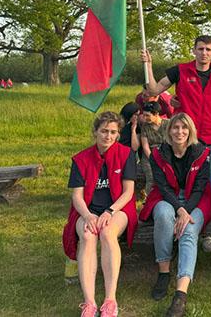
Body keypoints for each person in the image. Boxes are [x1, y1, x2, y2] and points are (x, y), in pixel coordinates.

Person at [142, 35, 211, 252]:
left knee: (206, 187)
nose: (204, 53)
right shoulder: (179, 71)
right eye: (201, 49)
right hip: (182, 137)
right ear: (194, 50)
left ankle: (204, 234)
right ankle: (174, 225)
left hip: (210, 138)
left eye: (208, 49)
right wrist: (148, 65)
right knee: (178, 182)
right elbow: (154, 90)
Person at [62, 111, 138, 317]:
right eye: (104, 131)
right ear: (95, 132)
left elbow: (128, 192)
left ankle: (110, 300)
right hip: (88, 210)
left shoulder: (126, 154)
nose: (108, 136)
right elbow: (77, 196)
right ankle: (89, 302)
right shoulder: (81, 159)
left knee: (107, 232)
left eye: (113, 132)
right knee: (88, 236)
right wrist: (88, 216)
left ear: (118, 134)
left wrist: (109, 211)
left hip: (117, 208)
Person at [139, 113, 211, 317]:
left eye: (184, 127)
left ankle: (180, 294)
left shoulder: (202, 152)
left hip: (196, 199)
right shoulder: (158, 154)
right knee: (164, 215)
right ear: (168, 130)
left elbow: (200, 187)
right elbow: (162, 187)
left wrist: (185, 211)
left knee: (188, 229)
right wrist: (179, 210)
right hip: (167, 195)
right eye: (175, 127)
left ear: (190, 131)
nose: (180, 132)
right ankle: (164, 272)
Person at [139, 102, 168, 195]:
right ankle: (149, 198)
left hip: (165, 153)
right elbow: (145, 146)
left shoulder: (168, 124)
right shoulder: (145, 127)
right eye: (144, 115)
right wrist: (153, 159)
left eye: (147, 115)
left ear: (156, 114)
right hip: (149, 155)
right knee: (151, 177)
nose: (145, 118)